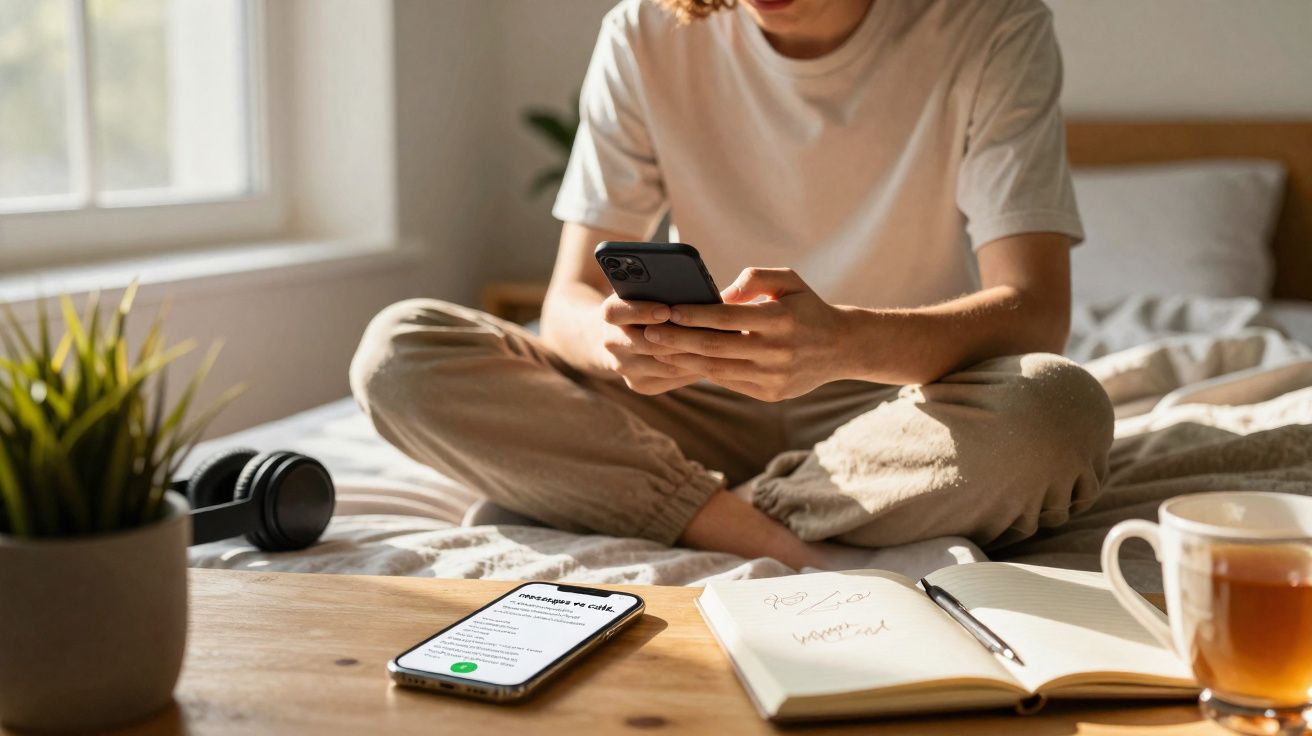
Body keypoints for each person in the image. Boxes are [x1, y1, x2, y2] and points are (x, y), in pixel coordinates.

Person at [350, 0, 1114, 571]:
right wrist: (615, 343)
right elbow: (567, 303)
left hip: (897, 408)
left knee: (1056, 410)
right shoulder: (646, 32)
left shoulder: (989, 25)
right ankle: (758, 532)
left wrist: (839, 342)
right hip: (688, 397)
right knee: (399, 354)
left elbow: (1035, 311)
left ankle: (657, 501)